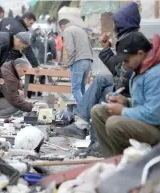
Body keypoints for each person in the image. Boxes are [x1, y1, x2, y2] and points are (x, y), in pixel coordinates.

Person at [57, 2, 139, 157]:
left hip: (129, 89)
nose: (115, 26)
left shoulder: (131, 39)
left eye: (117, 22)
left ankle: (85, 129)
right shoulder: (126, 38)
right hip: (123, 83)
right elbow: (118, 68)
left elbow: (125, 74)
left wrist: (116, 91)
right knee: (100, 84)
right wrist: (107, 49)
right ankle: (92, 139)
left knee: (98, 89)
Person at [91, 32, 160, 157]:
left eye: (126, 60)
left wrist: (123, 111)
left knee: (114, 124)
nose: (124, 64)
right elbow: (148, 103)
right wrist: (126, 101)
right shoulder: (144, 65)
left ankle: (129, 166)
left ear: (140, 54)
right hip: (152, 121)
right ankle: (113, 160)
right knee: (98, 111)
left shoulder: (159, 74)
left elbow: (154, 116)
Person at [0, 12, 40, 98]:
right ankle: (6, 97)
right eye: (30, 23)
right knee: (8, 78)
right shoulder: (22, 30)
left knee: (0, 77)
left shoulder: (6, 20)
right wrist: (35, 65)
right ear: (26, 19)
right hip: (10, 57)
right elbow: (27, 49)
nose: (30, 26)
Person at [59, 18, 93, 105]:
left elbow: (70, 48)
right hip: (88, 60)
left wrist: (69, 63)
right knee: (82, 88)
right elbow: (90, 46)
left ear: (62, 26)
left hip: (79, 61)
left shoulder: (67, 30)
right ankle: (84, 109)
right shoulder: (81, 30)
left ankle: (83, 109)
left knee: (75, 89)